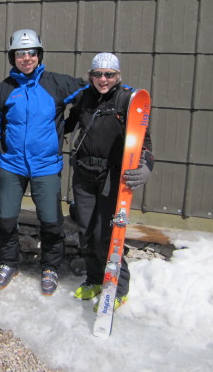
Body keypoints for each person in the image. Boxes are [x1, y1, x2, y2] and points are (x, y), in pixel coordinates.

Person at [0, 29, 86, 295]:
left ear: (39, 55)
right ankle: (8, 262)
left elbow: (90, 89)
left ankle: (49, 267)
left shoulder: (56, 84)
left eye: (31, 53)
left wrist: (69, 123)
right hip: (11, 165)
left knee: (51, 221)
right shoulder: (4, 90)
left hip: (46, 166)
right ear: (12, 57)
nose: (26, 58)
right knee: (5, 218)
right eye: (20, 54)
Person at [64, 52, 153, 311]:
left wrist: (146, 165)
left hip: (111, 176)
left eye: (109, 74)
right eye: (98, 74)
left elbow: (144, 140)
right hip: (83, 173)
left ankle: (118, 287)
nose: (103, 79)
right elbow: (68, 123)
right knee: (85, 230)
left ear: (117, 76)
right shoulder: (84, 97)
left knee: (108, 235)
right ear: (90, 75)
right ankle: (94, 278)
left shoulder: (127, 100)